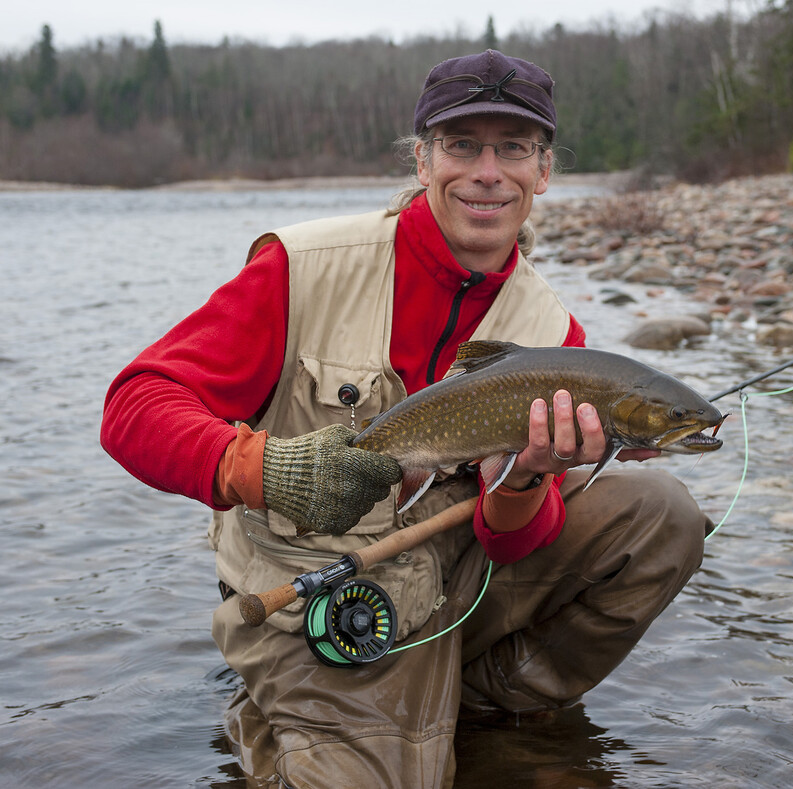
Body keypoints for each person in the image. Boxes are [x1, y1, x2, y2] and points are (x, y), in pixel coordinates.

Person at [101, 49, 711, 788]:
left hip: (454, 585)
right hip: (316, 598)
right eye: (462, 145)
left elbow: (508, 537)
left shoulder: (553, 329)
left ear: (543, 171)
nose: (488, 171)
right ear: (423, 160)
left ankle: (483, 707)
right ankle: (291, 718)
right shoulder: (305, 267)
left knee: (662, 513)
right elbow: (133, 405)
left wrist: (526, 478)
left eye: (513, 148)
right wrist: (260, 468)